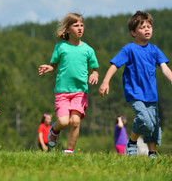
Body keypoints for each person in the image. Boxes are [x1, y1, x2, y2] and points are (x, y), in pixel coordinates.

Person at [99, 11, 172, 158]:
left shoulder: (154, 49)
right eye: (142, 27)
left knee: (153, 124)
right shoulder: (129, 49)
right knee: (145, 120)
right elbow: (115, 65)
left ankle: (152, 153)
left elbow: (164, 67)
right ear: (133, 32)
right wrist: (105, 82)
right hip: (135, 93)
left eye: (149, 26)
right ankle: (132, 141)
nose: (147, 29)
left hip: (151, 94)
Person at [38, 13, 99, 154]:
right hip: (62, 91)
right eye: (76, 25)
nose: (80, 28)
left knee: (75, 122)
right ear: (67, 29)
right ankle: (54, 129)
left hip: (80, 91)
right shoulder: (60, 47)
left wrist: (94, 74)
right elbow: (54, 64)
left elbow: (94, 69)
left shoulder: (88, 50)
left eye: (82, 25)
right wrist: (49, 67)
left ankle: (69, 152)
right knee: (64, 122)